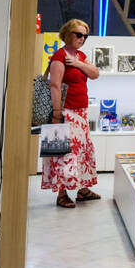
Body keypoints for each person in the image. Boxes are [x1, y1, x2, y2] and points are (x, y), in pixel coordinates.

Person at [42, 18, 101, 208]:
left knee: (81, 153)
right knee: (64, 154)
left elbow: (95, 74)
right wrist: (57, 112)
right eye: (78, 34)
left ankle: (82, 189)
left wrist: (77, 63)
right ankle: (62, 193)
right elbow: (55, 85)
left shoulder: (80, 56)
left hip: (80, 112)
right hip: (66, 112)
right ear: (67, 34)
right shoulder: (59, 56)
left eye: (85, 35)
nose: (82, 38)